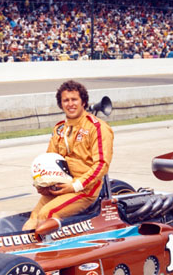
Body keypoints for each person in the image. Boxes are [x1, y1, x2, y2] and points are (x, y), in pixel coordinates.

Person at [23, 80, 114, 231]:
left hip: (85, 189)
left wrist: (75, 185)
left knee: (47, 214)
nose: (70, 104)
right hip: (61, 185)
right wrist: (43, 184)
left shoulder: (98, 127)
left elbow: (101, 164)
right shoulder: (59, 129)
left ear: (83, 102)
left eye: (74, 99)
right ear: (61, 104)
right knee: (34, 216)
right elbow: (49, 159)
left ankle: (48, 245)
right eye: (66, 100)